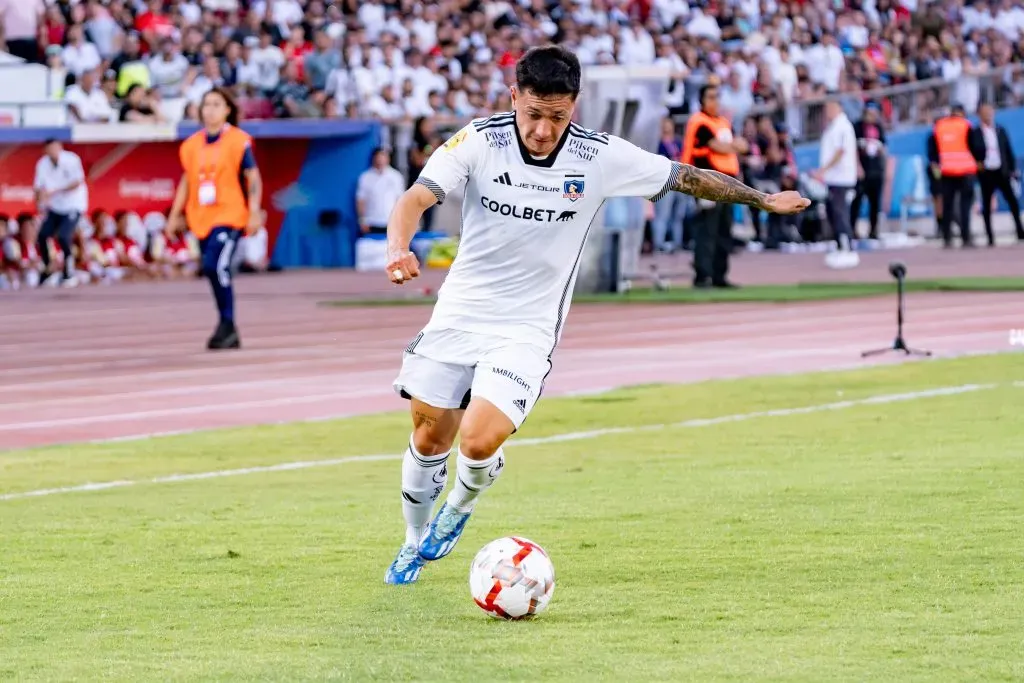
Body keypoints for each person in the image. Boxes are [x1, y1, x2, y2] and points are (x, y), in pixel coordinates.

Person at [380, 45, 809, 585]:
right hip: (458, 315)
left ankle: (460, 507)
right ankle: (412, 544)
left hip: (526, 328)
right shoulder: (479, 140)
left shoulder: (597, 156)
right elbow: (416, 198)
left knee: (478, 442)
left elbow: (684, 176)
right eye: (533, 114)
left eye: (556, 117)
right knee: (428, 439)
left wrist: (763, 201)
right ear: (514, 97)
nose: (542, 129)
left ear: (574, 107)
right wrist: (398, 247)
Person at [167, 87, 262, 350]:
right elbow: (187, 181)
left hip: (229, 214)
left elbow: (252, 177)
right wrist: (175, 215)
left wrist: (254, 210)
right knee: (211, 269)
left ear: (227, 110)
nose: (210, 110)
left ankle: (227, 323)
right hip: (201, 217)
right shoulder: (191, 145)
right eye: (206, 105)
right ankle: (226, 325)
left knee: (215, 266)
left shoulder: (238, 141)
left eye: (216, 104)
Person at [681, 84, 749, 288]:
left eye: (717, 97)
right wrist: (733, 146)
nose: (715, 102)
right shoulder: (699, 122)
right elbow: (717, 146)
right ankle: (703, 275)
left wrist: (734, 146)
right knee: (707, 229)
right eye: (710, 97)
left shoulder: (722, 122)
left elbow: (743, 145)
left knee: (723, 230)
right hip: (706, 182)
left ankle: (719, 275)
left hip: (727, 184)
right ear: (702, 100)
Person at [33, 138, 88, 288]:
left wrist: (56, 190)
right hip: (54, 207)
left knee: (64, 236)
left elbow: (77, 182)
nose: (52, 152)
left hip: (73, 205)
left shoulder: (71, 160)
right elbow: (38, 187)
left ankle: (68, 271)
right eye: (49, 149)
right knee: (42, 235)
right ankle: (47, 267)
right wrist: (39, 204)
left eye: (55, 148)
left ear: (60, 147)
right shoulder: (42, 163)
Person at [969, 102, 1024, 246]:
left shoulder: (1000, 130)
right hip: (986, 172)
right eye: (984, 111)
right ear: (979, 114)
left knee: (1012, 201)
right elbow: (972, 150)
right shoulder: (975, 133)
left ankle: (1020, 231)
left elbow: (1007, 150)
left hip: (1002, 171)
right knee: (986, 205)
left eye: (989, 111)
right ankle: (990, 236)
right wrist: (978, 163)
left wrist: (1012, 169)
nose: (987, 114)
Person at [813, 100, 859, 266]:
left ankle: (847, 245)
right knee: (833, 212)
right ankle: (840, 244)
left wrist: (822, 171)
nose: (827, 111)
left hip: (842, 178)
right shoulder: (833, 127)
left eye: (830, 108)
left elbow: (840, 151)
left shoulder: (843, 127)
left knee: (840, 213)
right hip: (833, 178)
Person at [928, 104, 976, 248]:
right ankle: (966, 237)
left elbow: (932, 152)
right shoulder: (966, 125)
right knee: (964, 207)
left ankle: (947, 238)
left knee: (947, 206)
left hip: (946, 171)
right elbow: (976, 146)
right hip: (966, 170)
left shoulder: (940, 126)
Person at [850, 102, 887, 240]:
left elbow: (884, 147)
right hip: (862, 170)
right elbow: (852, 148)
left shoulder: (878, 128)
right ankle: (852, 228)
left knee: (875, 203)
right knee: (857, 201)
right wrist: (858, 167)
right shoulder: (857, 127)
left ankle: (873, 230)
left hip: (876, 170)